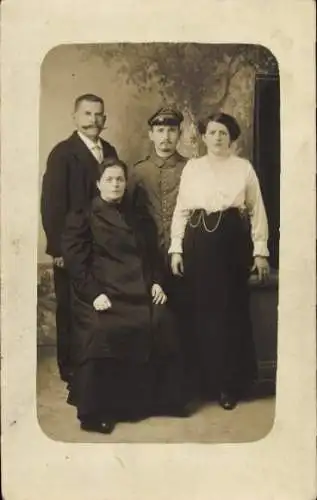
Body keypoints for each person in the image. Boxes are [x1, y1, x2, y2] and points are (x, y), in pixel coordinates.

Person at [61, 157, 185, 434]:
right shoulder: (82, 216)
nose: (115, 185)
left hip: (139, 291)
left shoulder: (137, 217)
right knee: (105, 330)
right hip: (104, 293)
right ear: (98, 183)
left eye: (119, 179)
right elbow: (76, 263)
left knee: (162, 321)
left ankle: (159, 401)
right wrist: (94, 294)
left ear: (125, 183)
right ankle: (100, 410)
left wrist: (156, 283)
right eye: (109, 179)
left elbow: (151, 256)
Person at [169, 112, 270, 410]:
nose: (217, 138)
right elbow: (181, 210)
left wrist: (260, 252)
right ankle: (202, 383)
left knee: (229, 313)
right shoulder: (192, 168)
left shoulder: (243, 168)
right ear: (203, 136)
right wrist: (176, 248)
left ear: (232, 137)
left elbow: (257, 211)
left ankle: (229, 384)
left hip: (230, 244)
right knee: (199, 311)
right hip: (197, 243)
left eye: (223, 133)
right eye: (212, 132)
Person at [40, 94, 118, 384]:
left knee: (96, 299)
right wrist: (57, 247)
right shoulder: (62, 153)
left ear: (105, 119)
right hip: (71, 244)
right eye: (87, 114)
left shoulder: (108, 149)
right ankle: (69, 366)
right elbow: (51, 203)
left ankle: (95, 362)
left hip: (102, 241)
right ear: (75, 118)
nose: (93, 120)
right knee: (70, 303)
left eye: (99, 115)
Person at [129, 106, 194, 405]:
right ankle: (151, 389)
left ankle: (186, 388)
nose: (166, 137)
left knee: (186, 318)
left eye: (171, 131)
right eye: (160, 131)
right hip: (149, 259)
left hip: (184, 257)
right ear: (151, 133)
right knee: (153, 321)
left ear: (179, 134)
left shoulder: (192, 168)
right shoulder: (138, 171)